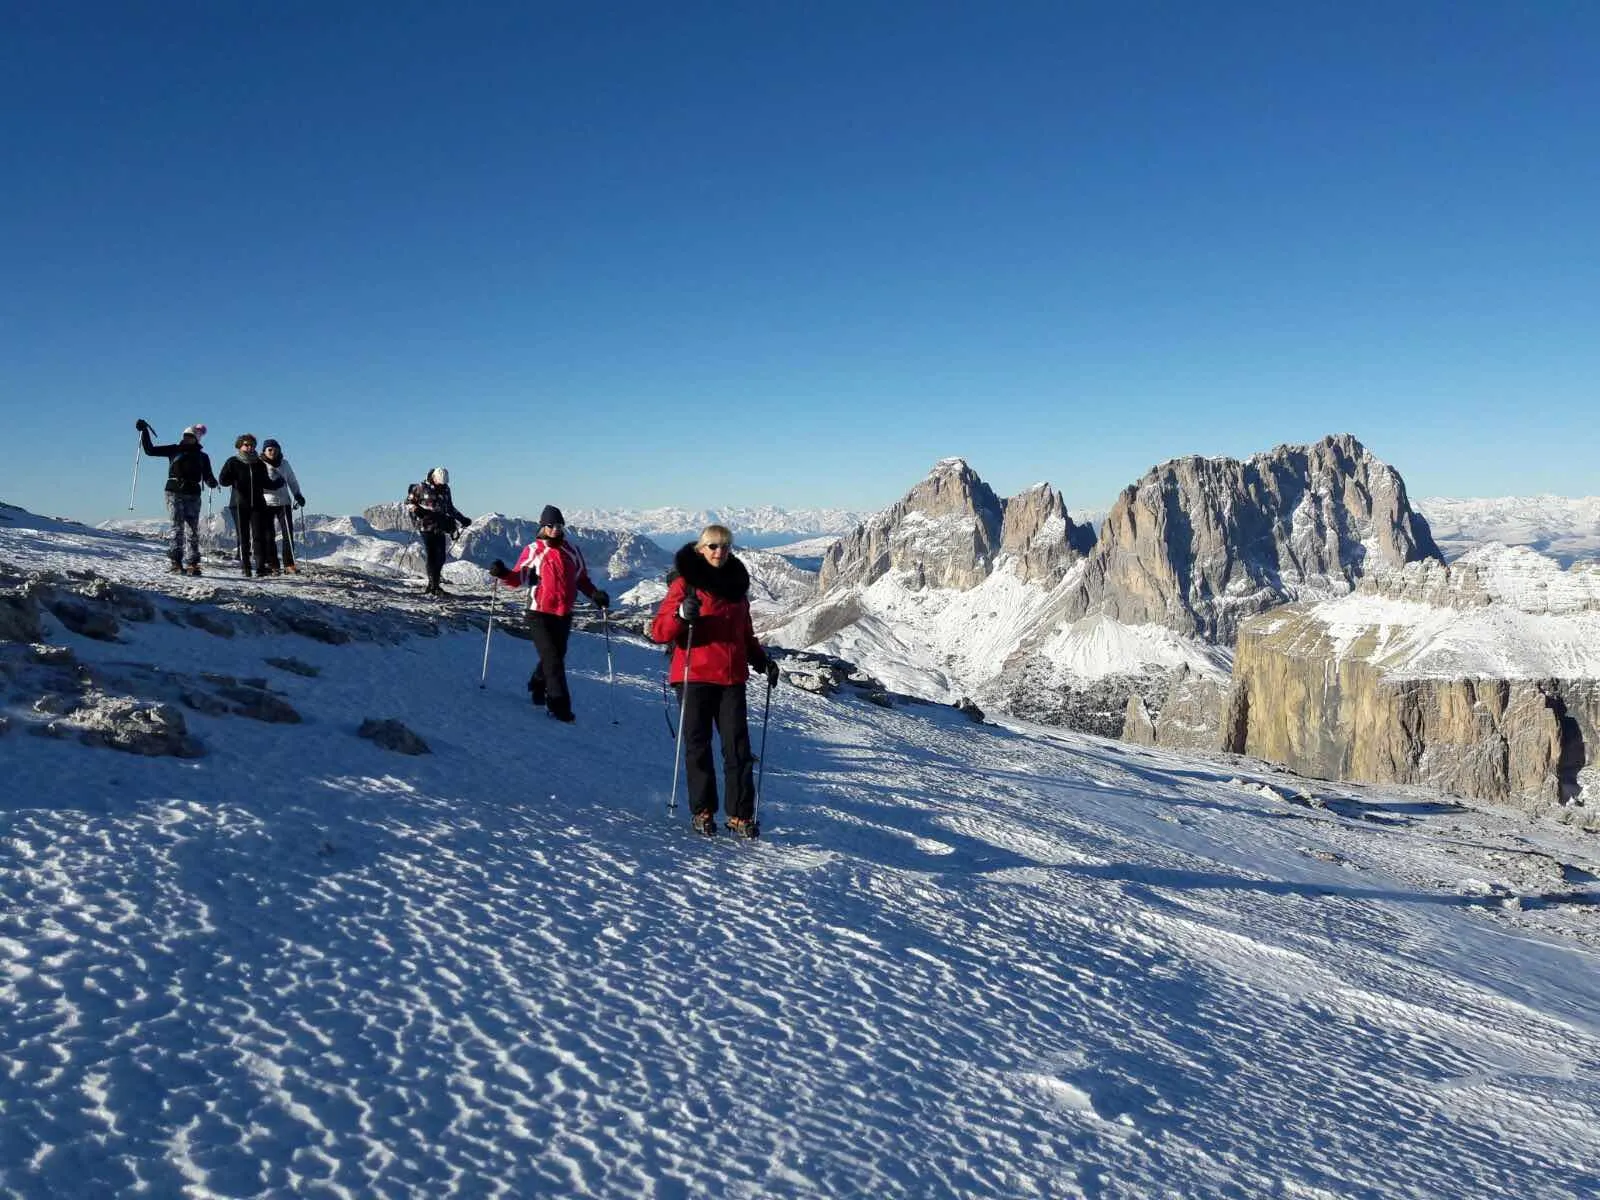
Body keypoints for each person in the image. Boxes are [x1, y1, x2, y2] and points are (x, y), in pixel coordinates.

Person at [649, 525, 780, 836]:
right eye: (712, 546)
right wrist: (681, 616)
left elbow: (744, 635)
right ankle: (703, 810)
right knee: (699, 746)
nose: (719, 552)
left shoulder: (736, 588)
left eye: (724, 546)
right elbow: (659, 632)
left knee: (738, 749)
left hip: (732, 678)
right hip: (693, 676)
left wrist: (762, 661)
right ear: (700, 549)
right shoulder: (685, 586)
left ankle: (740, 815)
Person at [489, 505, 609, 723]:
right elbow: (518, 578)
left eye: (559, 525)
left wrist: (595, 594)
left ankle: (537, 683)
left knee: (555, 655)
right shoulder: (534, 550)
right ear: (543, 527)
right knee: (553, 660)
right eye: (551, 525)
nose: (555, 529)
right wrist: (503, 573)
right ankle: (559, 705)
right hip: (538, 613)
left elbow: (581, 579)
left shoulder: (572, 551)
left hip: (564, 613)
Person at [135, 419, 218, 575]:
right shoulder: (175, 450)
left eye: (191, 436)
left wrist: (212, 482)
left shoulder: (202, 457)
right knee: (177, 527)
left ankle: (193, 563)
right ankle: (176, 562)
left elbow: (207, 476)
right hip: (174, 491)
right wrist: (144, 431)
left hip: (193, 492)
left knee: (192, 529)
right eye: (186, 435)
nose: (187, 438)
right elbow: (150, 450)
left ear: (197, 438)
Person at [218, 433, 278, 577]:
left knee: (259, 535)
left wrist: (276, 484)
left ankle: (260, 567)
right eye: (246, 445)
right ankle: (246, 567)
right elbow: (222, 480)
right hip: (239, 503)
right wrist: (233, 478)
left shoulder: (258, 463)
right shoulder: (233, 462)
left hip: (257, 503)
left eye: (252, 445)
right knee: (243, 536)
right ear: (240, 446)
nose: (249, 447)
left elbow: (265, 482)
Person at [405, 467, 471, 595]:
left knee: (440, 556)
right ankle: (433, 586)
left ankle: (434, 585)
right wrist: (416, 509)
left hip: (440, 525)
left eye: (444, 483)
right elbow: (408, 502)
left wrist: (462, 519)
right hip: (425, 525)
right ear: (434, 478)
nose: (442, 485)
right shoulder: (420, 487)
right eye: (440, 483)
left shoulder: (446, 489)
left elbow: (450, 507)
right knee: (432, 554)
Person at [260, 439, 306, 574]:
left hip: (284, 502)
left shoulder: (284, 464)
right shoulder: (259, 464)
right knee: (269, 535)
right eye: (269, 449)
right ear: (264, 451)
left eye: (275, 449)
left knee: (288, 534)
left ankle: (289, 564)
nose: (273, 451)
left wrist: (298, 494)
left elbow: (292, 479)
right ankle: (273, 563)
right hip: (266, 503)